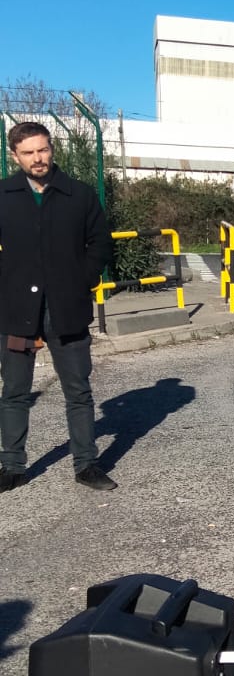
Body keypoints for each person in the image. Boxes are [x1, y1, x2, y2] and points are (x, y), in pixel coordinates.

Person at [0, 122, 117, 492]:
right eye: (29, 152)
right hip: (16, 310)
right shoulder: (3, 195)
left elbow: (100, 243)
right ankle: (12, 466)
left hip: (67, 309)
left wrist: (80, 280)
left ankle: (87, 465)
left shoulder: (78, 195)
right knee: (15, 391)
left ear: (52, 149)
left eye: (43, 149)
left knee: (78, 390)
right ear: (14, 156)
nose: (38, 158)